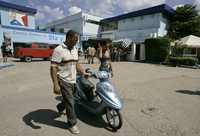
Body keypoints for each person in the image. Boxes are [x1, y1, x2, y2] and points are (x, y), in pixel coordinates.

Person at [50, 30, 88, 134]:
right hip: (63, 80)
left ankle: (60, 106)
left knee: (72, 99)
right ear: (68, 38)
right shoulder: (59, 50)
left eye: (77, 40)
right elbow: (53, 68)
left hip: (73, 79)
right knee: (71, 102)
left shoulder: (75, 49)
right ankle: (72, 124)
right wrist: (55, 84)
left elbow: (76, 63)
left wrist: (83, 72)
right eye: (75, 40)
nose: (76, 42)